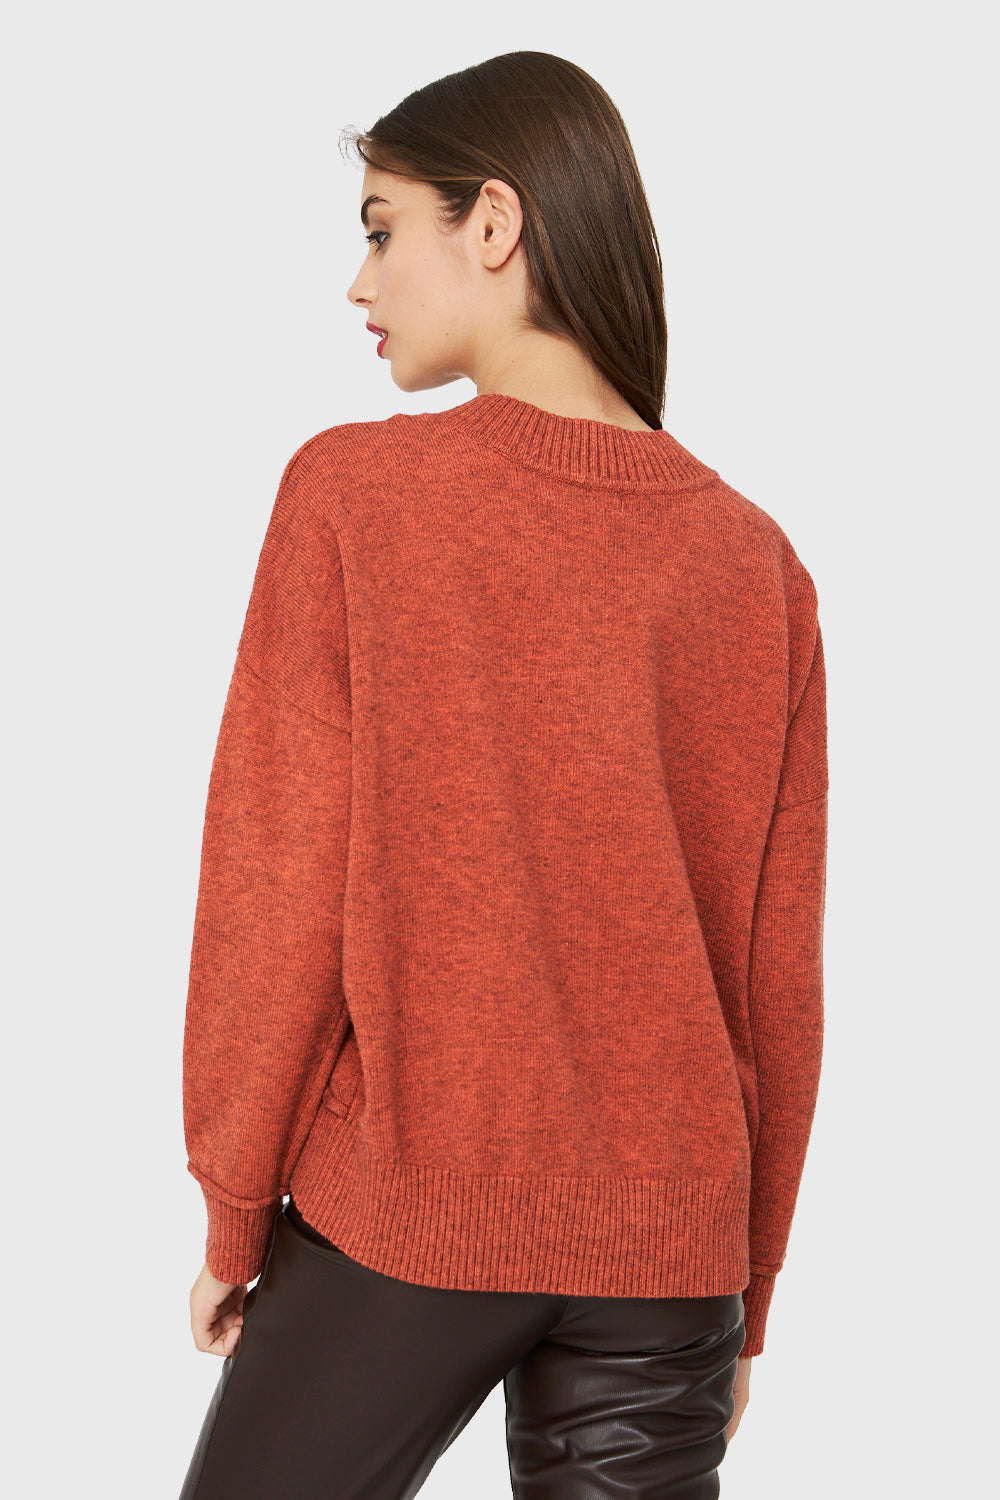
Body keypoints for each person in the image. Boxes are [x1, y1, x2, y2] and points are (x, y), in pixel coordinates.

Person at [179, 49, 828, 1500]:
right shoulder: (756, 566)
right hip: (671, 1254)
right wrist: (746, 1295)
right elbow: (770, 984)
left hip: (415, 1207)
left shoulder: (356, 496)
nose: (359, 283)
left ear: (494, 223)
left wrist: (234, 1204)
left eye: (380, 228)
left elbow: (277, 884)